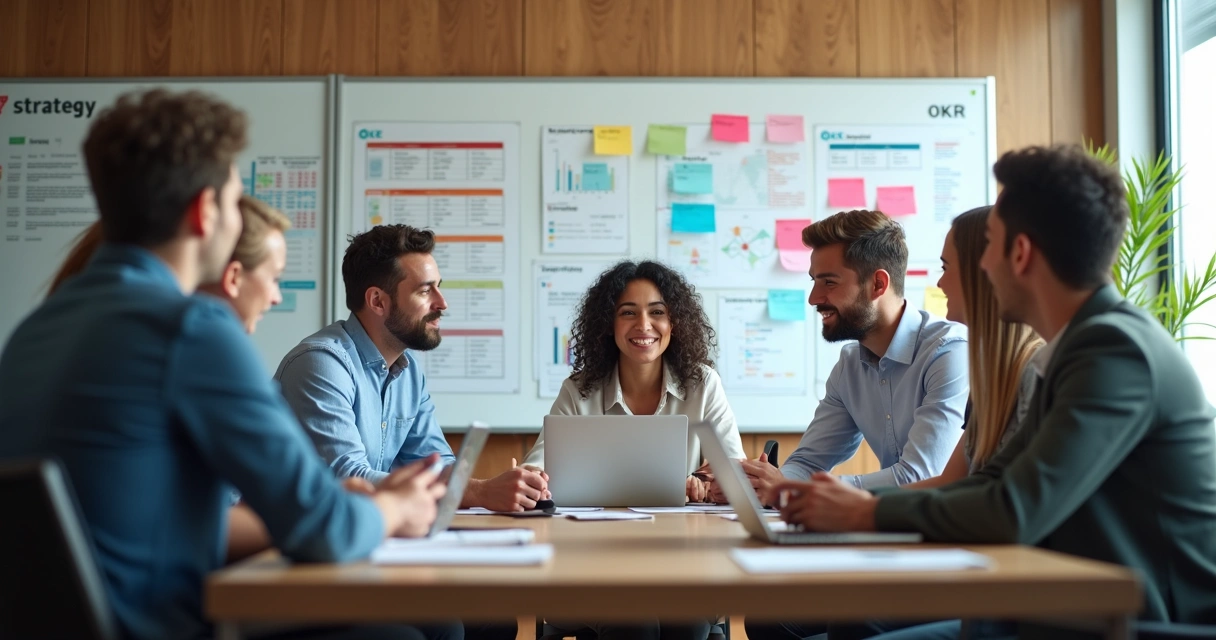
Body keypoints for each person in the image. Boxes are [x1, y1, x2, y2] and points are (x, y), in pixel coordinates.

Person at [0, 89, 461, 640]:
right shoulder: (189, 329)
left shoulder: (35, 330)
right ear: (204, 211)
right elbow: (324, 531)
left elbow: (139, 520)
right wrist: (396, 511)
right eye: (236, 195)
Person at [770, 145, 1216, 638]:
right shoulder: (1069, 352)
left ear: (1020, 254)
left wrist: (866, 509)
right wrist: (850, 508)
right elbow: (987, 486)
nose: (978, 271)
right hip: (1070, 604)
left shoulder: (1113, 350)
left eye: (989, 250)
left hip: (1141, 621)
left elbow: (1014, 510)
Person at [526, 259, 743, 640]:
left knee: (688, 620)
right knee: (633, 622)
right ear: (609, 326)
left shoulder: (703, 385)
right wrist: (533, 483)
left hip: (683, 562)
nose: (644, 326)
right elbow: (537, 473)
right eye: (628, 313)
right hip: (591, 564)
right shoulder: (579, 391)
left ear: (674, 323)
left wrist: (706, 483)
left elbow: (735, 470)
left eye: (657, 312)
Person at [728, 209, 968, 505]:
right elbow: (806, 463)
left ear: (878, 285)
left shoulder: (949, 352)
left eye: (829, 283)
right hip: (894, 529)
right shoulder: (850, 365)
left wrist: (796, 489)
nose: (814, 298)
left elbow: (920, 476)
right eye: (814, 281)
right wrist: (766, 483)